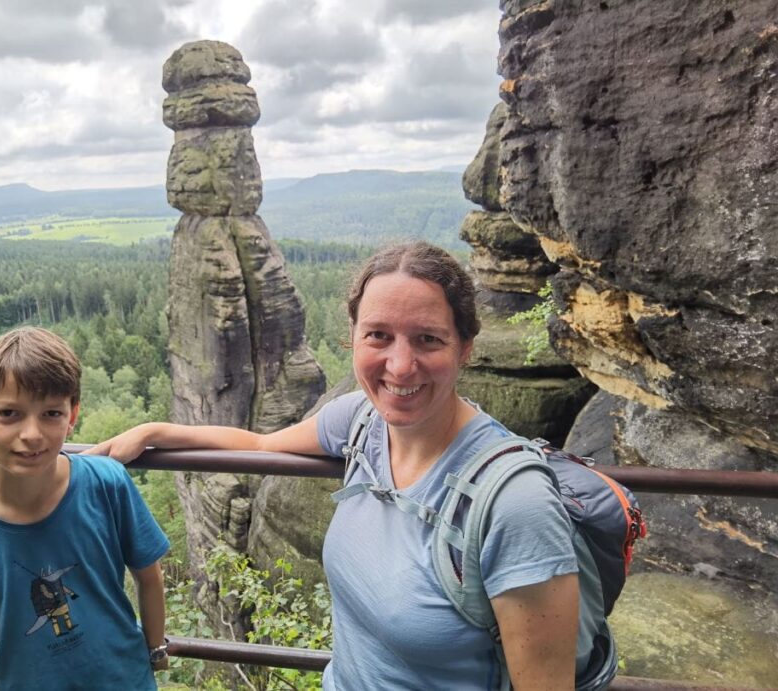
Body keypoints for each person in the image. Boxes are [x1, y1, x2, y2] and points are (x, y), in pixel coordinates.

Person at [88, 242, 582, 690]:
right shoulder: (361, 421)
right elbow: (261, 445)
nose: (401, 364)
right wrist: (156, 433)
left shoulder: (516, 505)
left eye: (428, 339)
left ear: (466, 348)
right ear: (353, 337)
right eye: (379, 336)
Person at [0, 327, 170, 691]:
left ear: (72, 415)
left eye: (51, 413)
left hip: (126, 681)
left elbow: (149, 573)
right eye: (9, 413)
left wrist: (155, 651)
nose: (32, 433)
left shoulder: (106, 484)